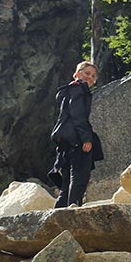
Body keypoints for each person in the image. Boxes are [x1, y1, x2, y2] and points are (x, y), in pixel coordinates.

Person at [49, 61, 102, 208]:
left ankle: (57, 215)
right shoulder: (79, 90)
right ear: (77, 74)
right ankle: (73, 211)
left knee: (66, 183)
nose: (90, 77)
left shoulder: (69, 90)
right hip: (76, 139)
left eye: (93, 76)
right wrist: (86, 139)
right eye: (87, 73)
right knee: (79, 178)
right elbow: (78, 116)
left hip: (65, 140)